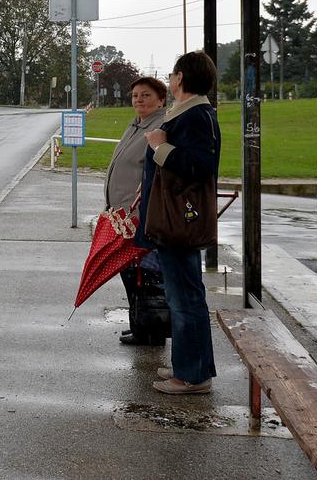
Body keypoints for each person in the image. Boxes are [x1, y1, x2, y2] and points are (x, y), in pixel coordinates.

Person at [136, 50, 221, 395]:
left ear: (180, 78)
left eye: (172, 75)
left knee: (185, 298)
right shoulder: (191, 114)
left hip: (178, 224)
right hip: (174, 220)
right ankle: (190, 365)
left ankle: (193, 375)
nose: (170, 80)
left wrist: (159, 146)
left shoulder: (196, 116)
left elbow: (199, 165)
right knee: (182, 295)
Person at [104, 76, 169, 346]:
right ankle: (140, 324)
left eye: (146, 95)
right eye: (135, 96)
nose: (139, 100)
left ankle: (150, 330)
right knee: (130, 272)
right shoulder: (137, 125)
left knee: (142, 274)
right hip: (122, 215)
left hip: (139, 215)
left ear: (161, 100)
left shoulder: (160, 127)